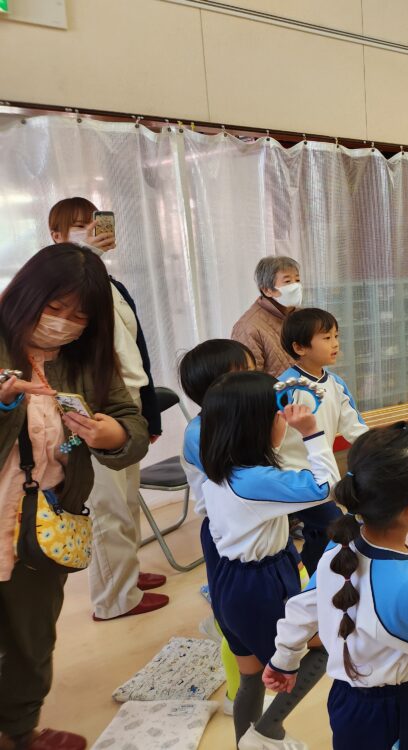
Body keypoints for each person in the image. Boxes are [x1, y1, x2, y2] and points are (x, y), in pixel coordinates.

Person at [263, 424, 408, 750]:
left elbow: (304, 606)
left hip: (362, 696)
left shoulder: (339, 548)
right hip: (389, 710)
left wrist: (283, 659)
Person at [0, 244, 149, 750]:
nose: (62, 324)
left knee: (32, 632)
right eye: (54, 309)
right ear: (26, 295)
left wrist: (112, 436)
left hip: (43, 519)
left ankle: (20, 730)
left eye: (79, 317)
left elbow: (131, 423)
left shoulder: (85, 361)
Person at [199, 371, 337, 746]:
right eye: (277, 412)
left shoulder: (216, 471)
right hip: (259, 586)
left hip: (231, 581)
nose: (284, 418)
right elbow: (327, 487)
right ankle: (265, 732)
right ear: (254, 426)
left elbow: (211, 533)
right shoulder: (254, 481)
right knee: (324, 646)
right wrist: (311, 432)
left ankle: (248, 740)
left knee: (250, 675)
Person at [47, 197, 167, 621]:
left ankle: (125, 575)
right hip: (94, 408)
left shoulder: (111, 286)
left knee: (126, 501)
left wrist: (146, 414)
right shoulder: (60, 296)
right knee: (108, 507)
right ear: (56, 237)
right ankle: (115, 599)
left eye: (92, 224)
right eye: (77, 227)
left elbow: (137, 352)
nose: (90, 232)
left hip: (125, 401)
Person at [178, 338, 255, 720]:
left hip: (249, 525)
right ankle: (236, 691)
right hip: (224, 530)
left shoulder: (237, 418)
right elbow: (242, 479)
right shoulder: (200, 433)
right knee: (233, 617)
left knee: (243, 604)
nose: (256, 380)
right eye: (243, 374)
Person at [278, 308, 368, 575]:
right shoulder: (286, 388)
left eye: (336, 336)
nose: (336, 343)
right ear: (299, 347)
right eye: (326, 338)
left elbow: (354, 426)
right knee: (333, 524)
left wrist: (380, 446)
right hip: (289, 476)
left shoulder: (335, 383)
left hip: (318, 473)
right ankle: (311, 574)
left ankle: (315, 572)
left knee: (325, 529)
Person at [232, 256, 302, 377]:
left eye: (297, 280)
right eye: (287, 281)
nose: (296, 286)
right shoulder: (248, 327)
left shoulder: (302, 316)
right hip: (276, 394)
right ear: (267, 290)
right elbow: (248, 380)